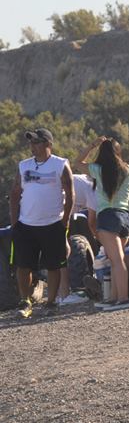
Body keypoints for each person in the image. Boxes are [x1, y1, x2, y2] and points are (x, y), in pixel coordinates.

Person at [9, 128, 74, 318]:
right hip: (26, 225)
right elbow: (14, 194)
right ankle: (25, 302)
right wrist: (15, 223)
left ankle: (51, 302)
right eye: (31, 143)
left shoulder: (60, 164)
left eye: (36, 142)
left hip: (53, 224)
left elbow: (70, 194)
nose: (32, 146)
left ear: (48, 144)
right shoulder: (24, 166)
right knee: (23, 265)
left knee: (54, 265)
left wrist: (65, 220)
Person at [79, 137, 129, 311]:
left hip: (107, 217)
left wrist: (92, 144)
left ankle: (123, 299)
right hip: (125, 218)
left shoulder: (98, 169)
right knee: (114, 260)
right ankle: (113, 298)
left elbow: (77, 162)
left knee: (117, 260)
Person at [56, 173, 98, 305]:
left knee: (61, 248)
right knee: (61, 248)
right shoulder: (93, 188)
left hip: (52, 208)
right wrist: (98, 237)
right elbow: (92, 222)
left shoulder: (83, 182)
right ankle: (68, 292)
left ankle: (62, 293)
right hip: (55, 208)